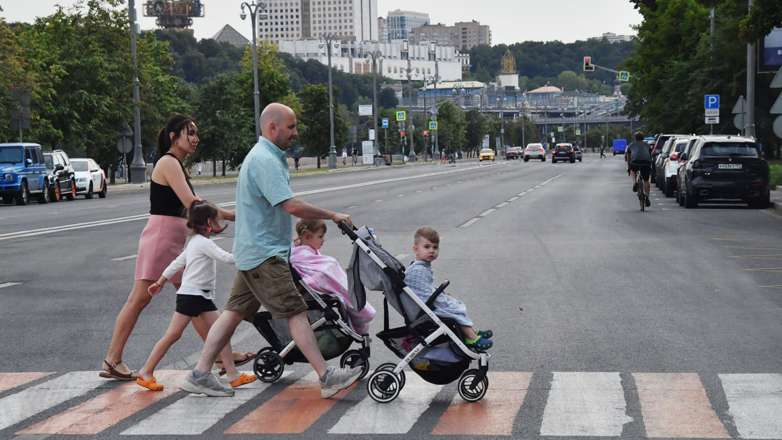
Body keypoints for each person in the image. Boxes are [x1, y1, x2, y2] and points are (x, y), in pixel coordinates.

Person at [180, 103, 362, 398]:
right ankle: (327, 377)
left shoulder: (262, 157)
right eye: (290, 127)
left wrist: (224, 215)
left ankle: (200, 374)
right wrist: (333, 215)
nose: (295, 132)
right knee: (296, 312)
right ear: (272, 127)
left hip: (253, 253)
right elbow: (290, 205)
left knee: (232, 314)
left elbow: (253, 207)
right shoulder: (265, 160)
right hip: (265, 255)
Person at [100, 114, 249, 381]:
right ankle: (112, 359)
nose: (196, 138)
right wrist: (228, 215)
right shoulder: (168, 162)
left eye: (196, 133)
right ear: (173, 137)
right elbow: (192, 203)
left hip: (173, 239)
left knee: (195, 302)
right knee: (140, 299)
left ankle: (219, 356)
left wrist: (224, 215)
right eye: (190, 133)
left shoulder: (176, 164)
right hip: (161, 238)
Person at [137, 200, 256, 391]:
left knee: (222, 331)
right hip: (192, 296)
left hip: (200, 296)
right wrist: (249, 254)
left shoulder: (194, 243)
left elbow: (176, 263)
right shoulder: (203, 243)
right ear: (208, 222)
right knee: (173, 335)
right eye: (218, 219)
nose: (220, 222)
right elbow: (226, 258)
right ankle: (146, 371)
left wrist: (160, 281)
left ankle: (233, 374)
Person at [404, 227, 494, 350]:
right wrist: (442, 301)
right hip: (424, 309)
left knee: (452, 304)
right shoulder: (418, 270)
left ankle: (473, 331)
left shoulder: (422, 267)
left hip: (425, 305)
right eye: (427, 247)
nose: (432, 251)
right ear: (416, 249)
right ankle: (471, 337)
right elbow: (423, 295)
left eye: (435, 247)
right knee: (452, 310)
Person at [290, 219, 375, 335]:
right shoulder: (299, 255)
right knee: (331, 266)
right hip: (319, 282)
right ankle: (361, 311)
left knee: (331, 265)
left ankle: (359, 309)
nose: (323, 240)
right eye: (320, 237)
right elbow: (317, 273)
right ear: (307, 236)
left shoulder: (298, 251)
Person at [626, 131, 652, 208]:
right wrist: (649, 164)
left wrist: (629, 167)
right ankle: (647, 197)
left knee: (632, 170)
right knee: (646, 180)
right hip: (645, 163)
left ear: (635, 138)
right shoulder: (647, 145)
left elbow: (628, 158)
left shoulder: (630, 145)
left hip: (635, 162)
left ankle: (635, 182)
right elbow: (650, 156)